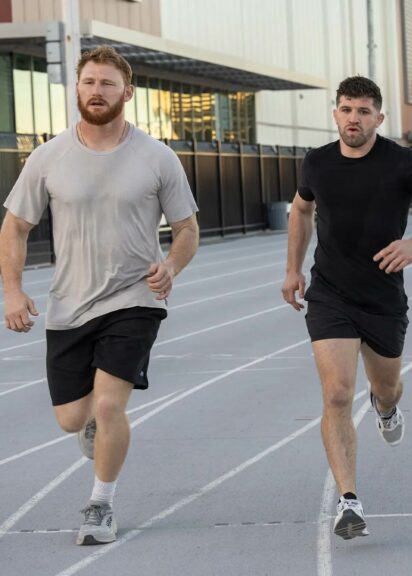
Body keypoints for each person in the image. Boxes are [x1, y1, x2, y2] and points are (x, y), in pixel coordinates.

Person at [0, 46, 200, 545]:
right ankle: (91, 426)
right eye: (89, 82)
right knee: (73, 418)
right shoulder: (47, 157)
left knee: (110, 406)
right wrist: (12, 290)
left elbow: (187, 227)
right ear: (76, 89)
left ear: (127, 92)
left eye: (108, 83)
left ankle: (100, 505)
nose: (97, 91)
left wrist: (170, 265)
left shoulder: (157, 157)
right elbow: (15, 226)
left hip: (135, 297)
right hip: (69, 305)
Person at [281, 76, 412, 540]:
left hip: (382, 298)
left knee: (388, 387)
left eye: (363, 111)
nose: (353, 119)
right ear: (335, 114)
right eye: (346, 109)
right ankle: (348, 501)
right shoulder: (317, 162)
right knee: (338, 393)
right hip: (330, 294)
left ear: (379, 118)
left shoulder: (402, 162)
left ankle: (386, 408)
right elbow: (301, 210)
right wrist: (293, 269)